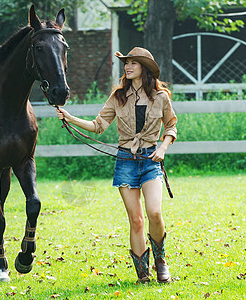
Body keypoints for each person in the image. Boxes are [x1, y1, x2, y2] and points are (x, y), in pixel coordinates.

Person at [56, 47, 177, 283]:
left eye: (133, 63)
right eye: (126, 63)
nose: (128, 67)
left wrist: (162, 149)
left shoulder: (161, 97)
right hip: (125, 162)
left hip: (151, 159)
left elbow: (171, 127)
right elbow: (98, 124)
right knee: (136, 220)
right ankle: (143, 272)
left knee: (154, 211)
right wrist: (70, 118)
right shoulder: (118, 96)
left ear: (145, 68)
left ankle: (160, 260)